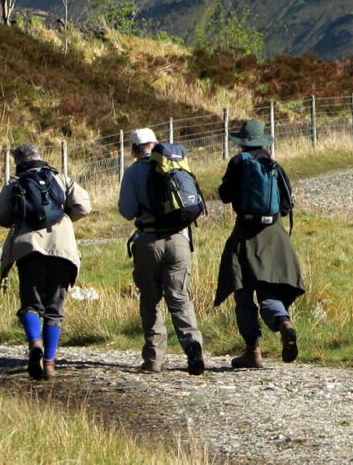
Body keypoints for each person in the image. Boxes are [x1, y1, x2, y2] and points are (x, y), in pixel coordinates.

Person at [0, 143, 91, 381]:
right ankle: (50, 364)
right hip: (62, 248)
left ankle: (35, 342)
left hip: (29, 249)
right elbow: (84, 207)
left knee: (31, 304)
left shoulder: (15, 183)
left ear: (17, 162)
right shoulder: (61, 179)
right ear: (39, 156)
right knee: (54, 309)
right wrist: (63, 218)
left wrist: (20, 217)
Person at [215, 119, 306, 369]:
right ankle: (283, 322)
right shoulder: (273, 165)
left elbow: (224, 195)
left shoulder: (238, 162)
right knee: (269, 291)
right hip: (274, 236)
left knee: (243, 292)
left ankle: (253, 351)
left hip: (244, 235)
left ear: (242, 142)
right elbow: (286, 206)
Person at [118, 126, 207, 374]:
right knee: (179, 298)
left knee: (150, 300)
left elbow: (126, 211)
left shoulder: (133, 171)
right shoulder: (175, 165)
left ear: (134, 149)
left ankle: (153, 359)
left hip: (148, 242)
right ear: (156, 144)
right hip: (179, 240)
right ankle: (193, 345)